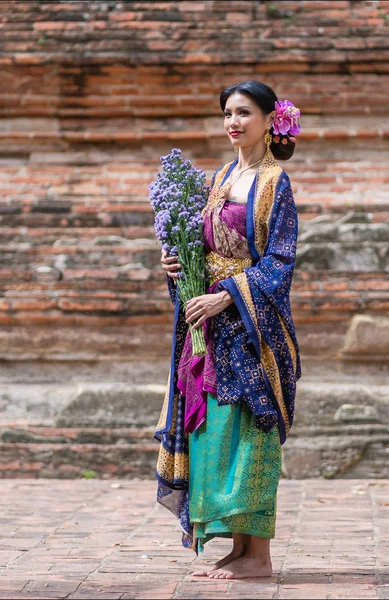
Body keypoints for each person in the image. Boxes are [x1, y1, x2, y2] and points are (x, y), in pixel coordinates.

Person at [155, 80, 301, 580]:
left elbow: (280, 261)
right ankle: (237, 549)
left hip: (250, 330)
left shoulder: (273, 182)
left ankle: (258, 555)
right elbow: (202, 244)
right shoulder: (217, 178)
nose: (233, 122)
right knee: (216, 434)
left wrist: (225, 296)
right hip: (209, 332)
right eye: (227, 114)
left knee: (250, 435)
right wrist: (177, 263)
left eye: (243, 113)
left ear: (268, 120)